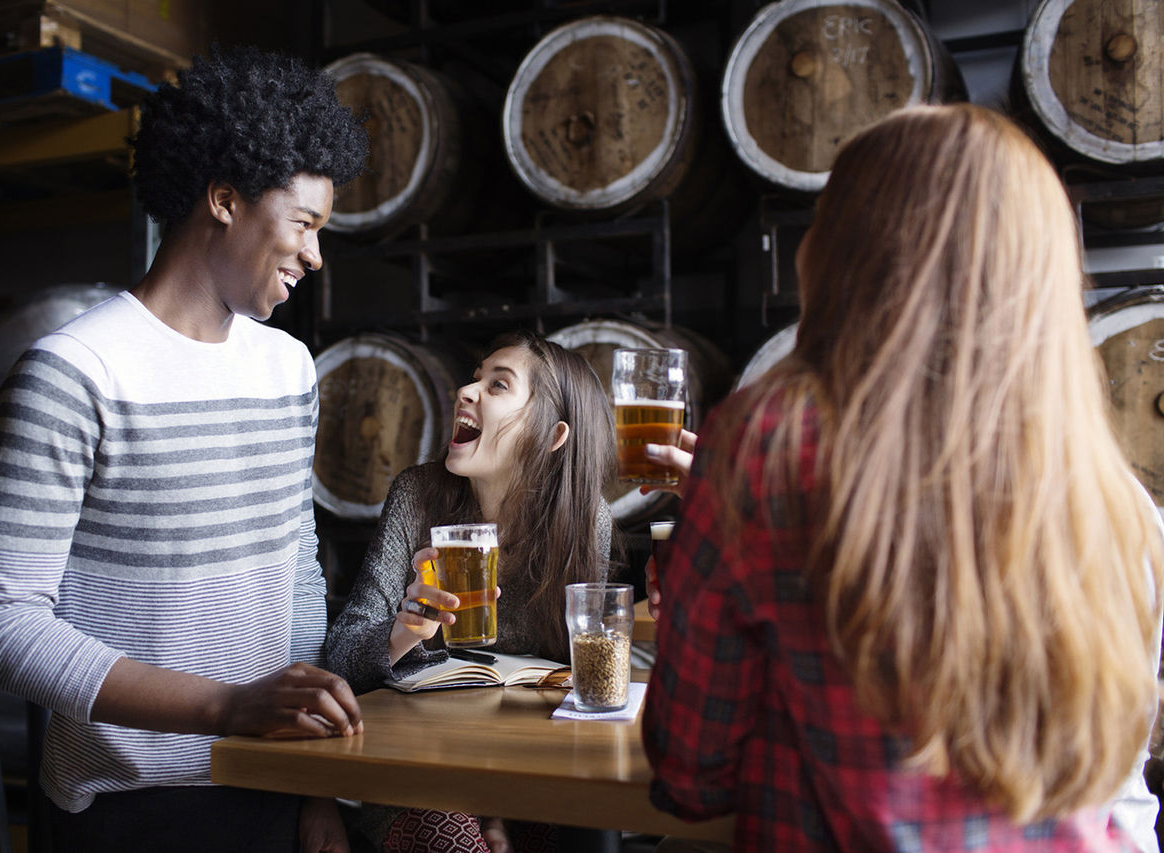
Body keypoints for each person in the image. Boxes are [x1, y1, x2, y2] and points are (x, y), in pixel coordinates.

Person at [643, 103, 1164, 851]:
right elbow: (1113, 775)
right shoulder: (1116, 497)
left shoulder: (765, 441)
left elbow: (691, 773)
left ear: (840, 253)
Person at [0, 46, 369, 852]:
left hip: (271, 785)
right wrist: (223, 704)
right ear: (223, 199)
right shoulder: (75, 372)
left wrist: (319, 784)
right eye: (305, 224)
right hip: (125, 810)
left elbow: (295, 569)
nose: (316, 255)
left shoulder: (286, 367)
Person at [325, 329, 617, 852]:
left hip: (532, 770)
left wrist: (500, 803)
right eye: (476, 377)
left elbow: (586, 677)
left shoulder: (586, 522)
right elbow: (339, 660)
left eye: (498, 385)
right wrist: (401, 633)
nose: (467, 389)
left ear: (552, 436)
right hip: (417, 766)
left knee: (575, 835)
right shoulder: (416, 495)